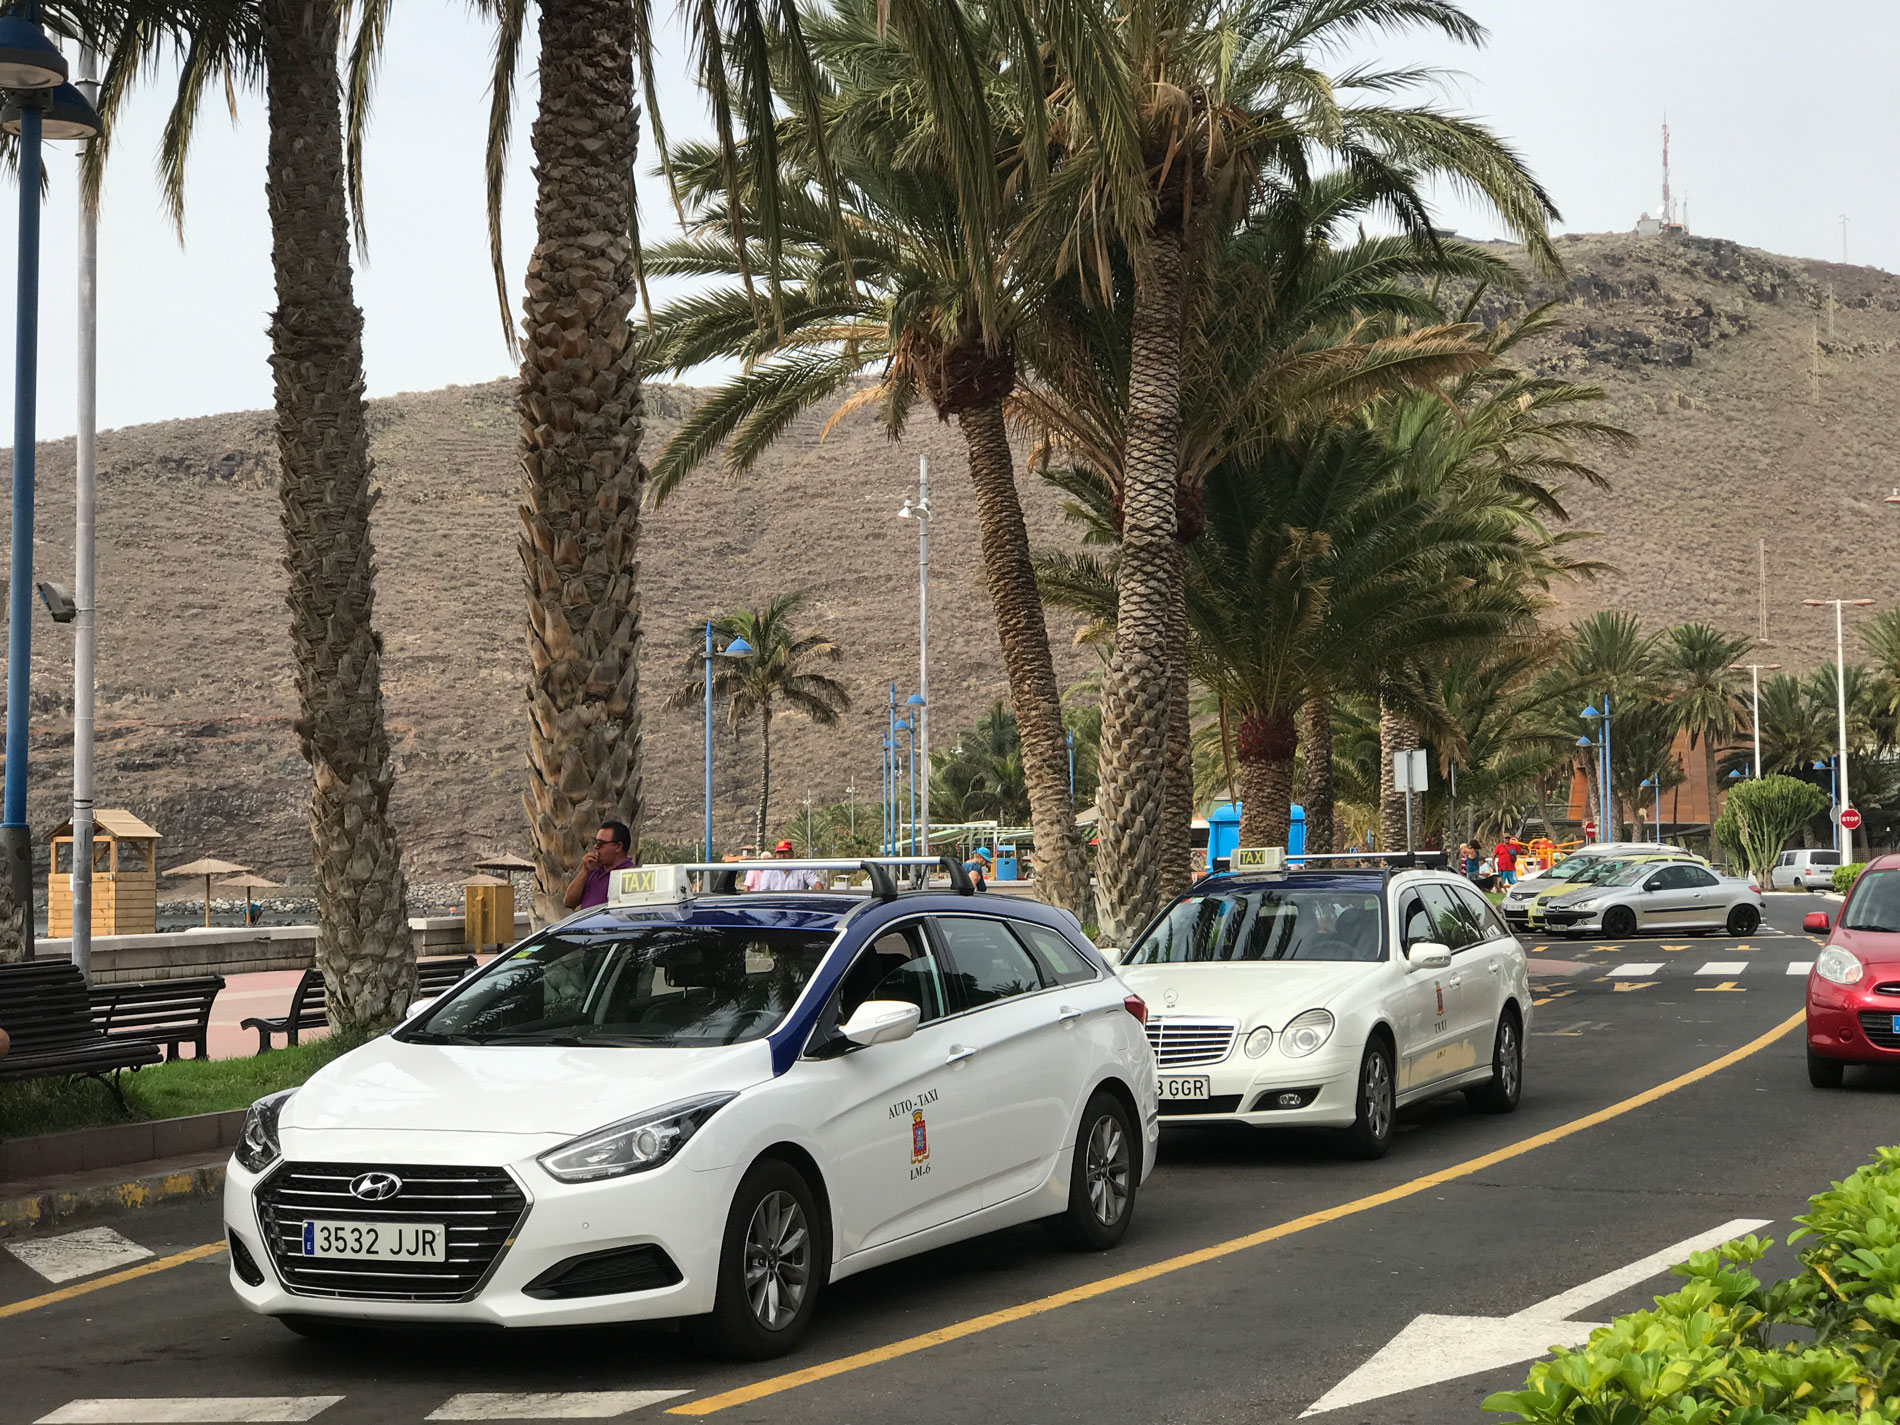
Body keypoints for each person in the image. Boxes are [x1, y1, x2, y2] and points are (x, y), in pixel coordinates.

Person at [563, 821, 634, 909]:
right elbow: (569, 902)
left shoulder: (629, 875)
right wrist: (584, 871)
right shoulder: (594, 872)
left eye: (601, 843)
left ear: (618, 846)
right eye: (595, 842)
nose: (596, 847)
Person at [744, 841, 824, 891]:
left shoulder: (802, 869)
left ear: (792, 853)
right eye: (779, 853)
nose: (782, 856)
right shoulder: (769, 870)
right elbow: (764, 892)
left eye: (785, 852)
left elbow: (817, 885)